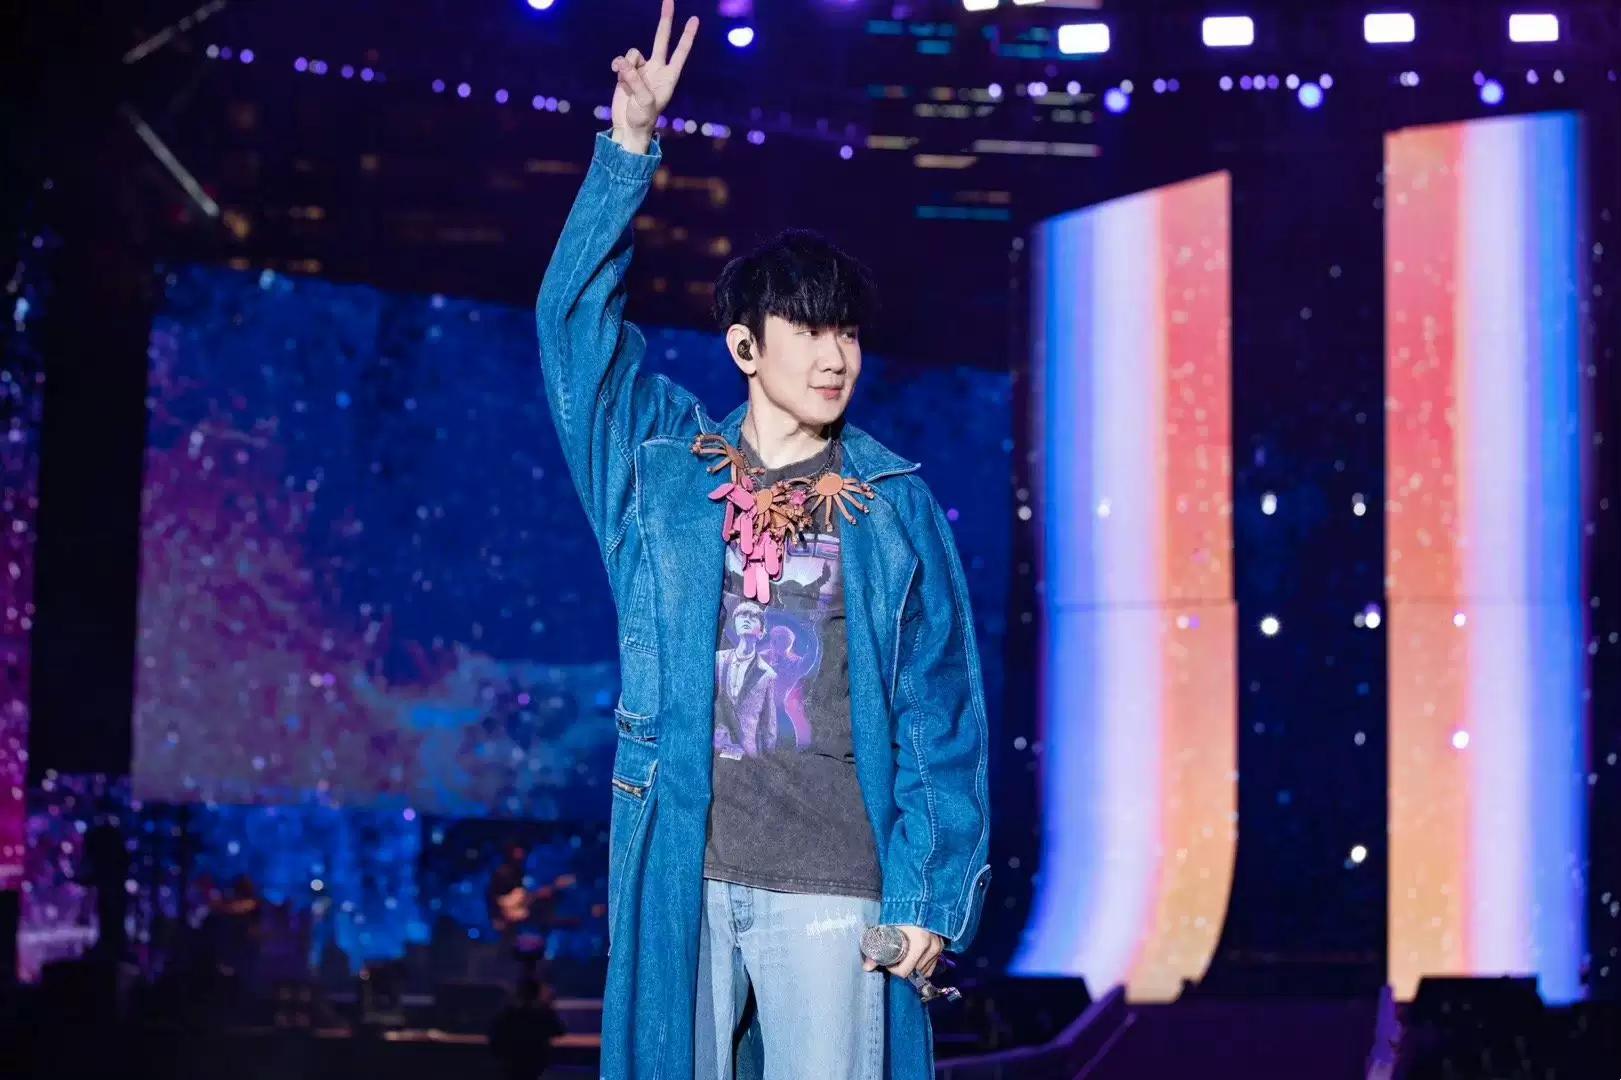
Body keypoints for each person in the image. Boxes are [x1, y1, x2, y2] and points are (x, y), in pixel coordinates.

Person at [535, 3, 991, 1077]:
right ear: (745, 346)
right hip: (683, 871)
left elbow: (940, 716)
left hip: (834, 887)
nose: (835, 356)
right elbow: (572, 332)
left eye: (848, 331)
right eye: (808, 329)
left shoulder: (892, 504)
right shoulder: (660, 472)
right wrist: (628, 146)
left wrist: (929, 898)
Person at [488, 975, 567, 1080]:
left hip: (511, 1067)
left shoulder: (508, 1014)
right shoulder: (541, 1014)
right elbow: (559, 1031)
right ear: (537, 994)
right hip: (535, 1068)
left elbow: (494, 1039)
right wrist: (548, 1006)